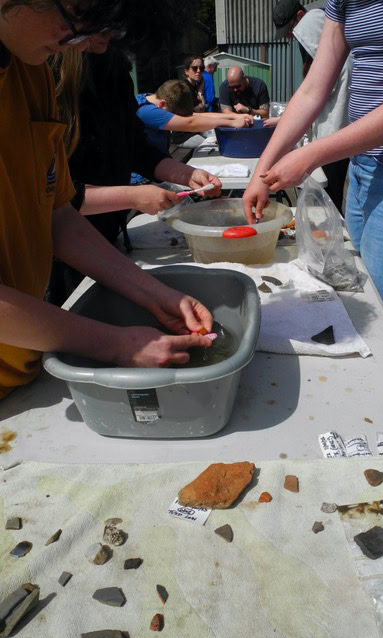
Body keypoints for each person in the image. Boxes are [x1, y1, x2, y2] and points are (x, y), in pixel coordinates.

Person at [0, 0, 215, 399]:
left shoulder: (31, 72)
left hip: (27, 365)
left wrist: (157, 295)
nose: (81, 45)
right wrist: (114, 343)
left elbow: (57, 213)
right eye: (75, 23)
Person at [243, 0, 383, 356]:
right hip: (365, 165)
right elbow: (312, 88)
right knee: (358, 298)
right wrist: (263, 169)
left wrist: (309, 154)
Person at [47, 39, 221, 304]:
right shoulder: (47, 77)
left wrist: (185, 174)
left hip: (108, 235)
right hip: (59, 255)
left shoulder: (114, 67)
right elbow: (56, 198)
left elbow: (136, 148)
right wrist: (133, 196)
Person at [270, 0, 352, 213]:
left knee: (331, 191)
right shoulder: (315, 26)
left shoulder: (312, 22)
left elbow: (317, 86)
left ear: (299, 14)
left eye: (289, 30)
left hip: (335, 125)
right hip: (329, 123)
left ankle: (331, 230)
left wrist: (291, 120)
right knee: (326, 189)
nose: (289, 36)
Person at [135, 79, 254, 156]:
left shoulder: (153, 98)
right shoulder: (146, 111)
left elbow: (193, 116)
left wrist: (233, 116)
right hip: (142, 179)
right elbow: (190, 122)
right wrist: (232, 124)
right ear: (162, 104)